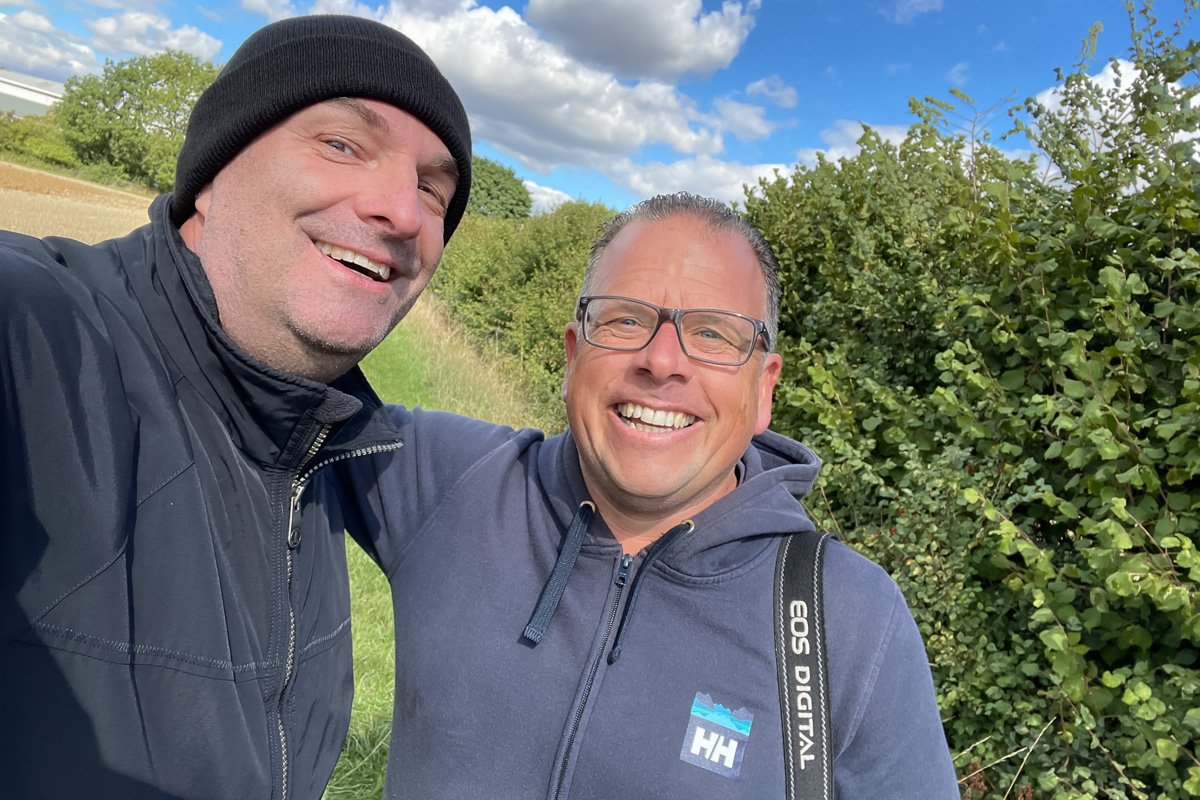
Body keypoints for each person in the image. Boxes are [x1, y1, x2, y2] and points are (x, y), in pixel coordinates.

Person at [341, 192, 960, 798]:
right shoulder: (448, 479)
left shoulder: (847, 621)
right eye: (626, 320)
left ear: (763, 389)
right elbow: (289, 377)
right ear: (573, 355)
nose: (661, 361)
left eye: (714, 334)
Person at [0, 15, 470, 799]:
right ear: (213, 173)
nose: (404, 212)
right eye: (341, 144)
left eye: (433, 188)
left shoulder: (315, 448)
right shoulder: (39, 334)